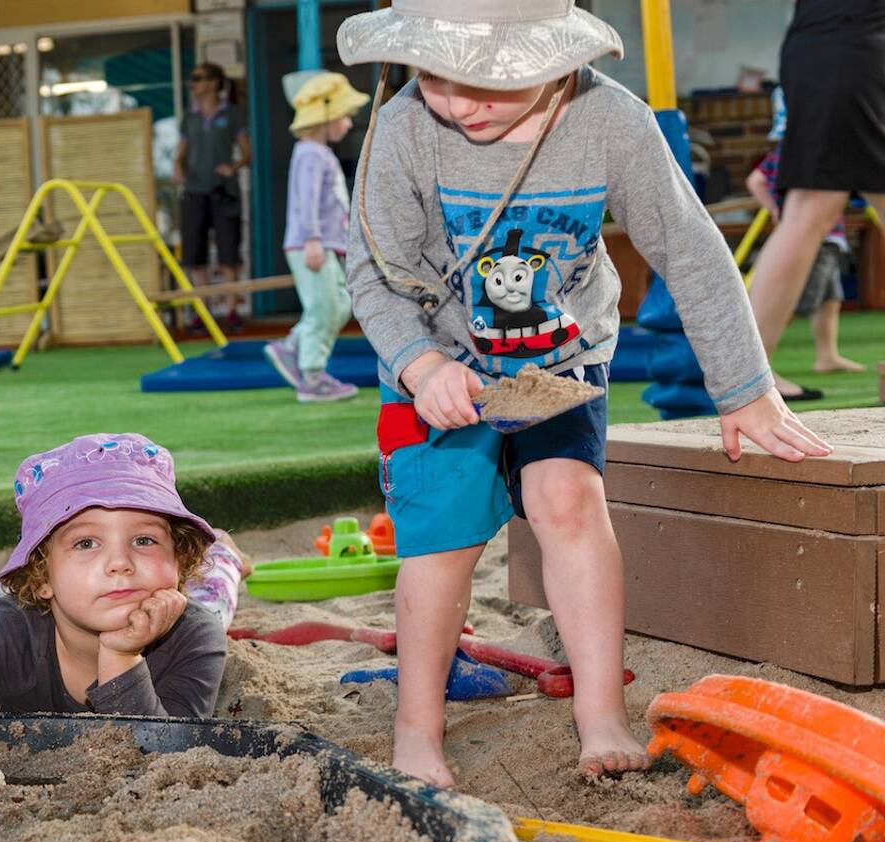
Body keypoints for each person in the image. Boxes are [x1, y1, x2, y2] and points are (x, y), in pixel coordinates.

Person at [338, 0, 831, 787]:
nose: (458, 103)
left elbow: (691, 248)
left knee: (568, 500)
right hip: (435, 363)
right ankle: (417, 725)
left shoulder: (611, 120)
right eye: (436, 76)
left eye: (487, 84)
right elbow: (373, 269)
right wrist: (422, 367)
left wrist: (744, 390)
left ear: (551, 59)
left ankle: (600, 711)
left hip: (557, 360)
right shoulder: (402, 126)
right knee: (444, 537)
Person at [0, 434, 234, 800]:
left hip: (180, 603)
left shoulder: (195, 634)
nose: (120, 563)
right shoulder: (8, 632)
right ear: (43, 575)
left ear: (179, 559)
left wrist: (120, 656)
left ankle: (227, 555)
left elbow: (163, 760)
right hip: (25, 605)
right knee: (0, 598)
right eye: (86, 542)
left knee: (216, 592)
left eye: (144, 540)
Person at [748, 1, 885, 402]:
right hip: (848, 47)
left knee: (810, 210)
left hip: (842, 46)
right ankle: (749, 375)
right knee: (810, 209)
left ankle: (748, 374)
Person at [264, 70, 368, 403]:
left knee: (339, 304)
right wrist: (312, 239)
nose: (349, 124)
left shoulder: (319, 153)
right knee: (324, 307)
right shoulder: (309, 153)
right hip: (313, 244)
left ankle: (292, 347)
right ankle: (311, 375)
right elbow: (305, 200)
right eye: (344, 116)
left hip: (326, 243)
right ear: (325, 116)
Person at [746, 141, 863, 377]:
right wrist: (777, 210)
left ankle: (827, 356)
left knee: (830, 300)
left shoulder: (814, 145)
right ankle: (756, 363)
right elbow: (756, 181)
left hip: (830, 237)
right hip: (812, 237)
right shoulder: (796, 147)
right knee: (793, 302)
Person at [175, 63, 252, 333]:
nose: (192, 84)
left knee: (229, 251)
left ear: (213, 82)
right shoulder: (190, 116)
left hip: (223, 190)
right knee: (195, 254)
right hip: (194, 191)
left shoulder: (232, 114)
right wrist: (178, 168)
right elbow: (181, 152)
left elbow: (246, 152)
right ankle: (201, 313)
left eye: (197, 79)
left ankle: (231, 311)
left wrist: (233, 167)